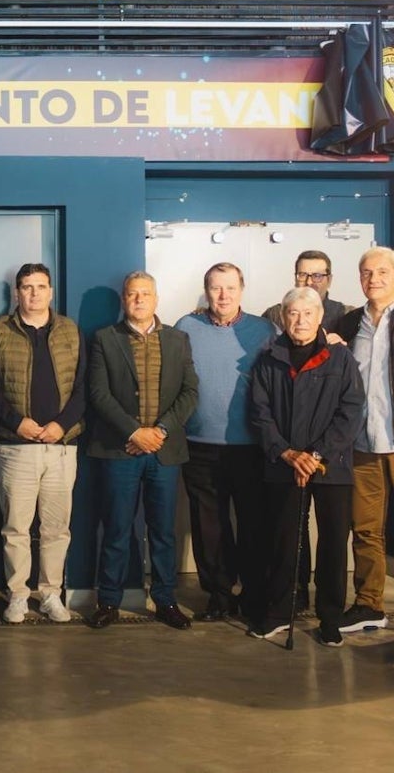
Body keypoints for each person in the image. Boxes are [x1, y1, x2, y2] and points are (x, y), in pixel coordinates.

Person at [250, 287, 364, 646]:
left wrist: (315, 456)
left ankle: (330, 617)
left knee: (333, 544)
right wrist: (287, 454)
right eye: (293, 313)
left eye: (307, 313)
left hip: (331, 467)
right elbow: (259, 413)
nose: (300, 320)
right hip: (284, 466)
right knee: (283, 541)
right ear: (283, 317)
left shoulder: (341, 359)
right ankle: (280, 611)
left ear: (319, 317)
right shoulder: (268, 358)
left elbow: (350, 411)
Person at [87, 271, 198, 631]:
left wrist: (160, 431)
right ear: (124, 300)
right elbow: (99, 394)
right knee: (117, 529)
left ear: (156, 299)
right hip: (121, 451)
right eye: (132, 294)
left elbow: (190, 393)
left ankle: (165, 600)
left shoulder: (179, 340)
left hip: (164, 452)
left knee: (163, 530)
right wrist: (135, 432)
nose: (139, 300)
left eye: (145, 294)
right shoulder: (104, 339)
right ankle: (109, 602)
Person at [173, 263, 275, 622]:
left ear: (242, 290)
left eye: (230, 288)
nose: (223, 295)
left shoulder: (264, 330)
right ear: (207, 291)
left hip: (250, 446)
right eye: (216, 288)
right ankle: (218, 594)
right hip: (200, 444)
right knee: (208, 526)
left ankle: (253, 593)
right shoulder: (187, 327)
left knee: (253, 523)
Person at [0, 263, 85, 624]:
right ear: (16, 292)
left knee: (56, 528)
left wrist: (62, 425)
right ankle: (17, 595)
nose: (34, 293)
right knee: (15, 527)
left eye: (40, 287)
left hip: (62, 447)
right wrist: (18, 422)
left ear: (51, 292)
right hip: (16, 447)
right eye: (26, 287)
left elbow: (81, 388)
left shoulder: (70, 331)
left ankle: (50, 594)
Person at [335, 246, 394, 634]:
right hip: (362, 443)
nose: (374, 279)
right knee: (366, 528)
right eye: (366, 273)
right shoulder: (349, 323)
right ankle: (370, 604)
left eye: (383, 272)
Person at [263, 250, 351, 334]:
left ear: (329, 280)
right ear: (295, 278)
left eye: (317, 276)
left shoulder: (348, 315)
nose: (309, 282)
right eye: (302, 275)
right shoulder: (274, 315)